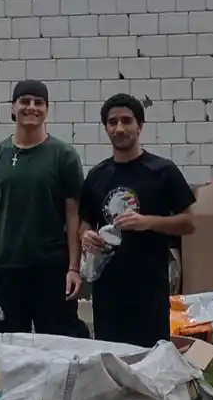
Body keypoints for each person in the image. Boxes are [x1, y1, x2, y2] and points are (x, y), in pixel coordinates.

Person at [0, 80, 87, 337]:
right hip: (5, 268)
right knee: (3, 347)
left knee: (60, 346)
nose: (31, 107)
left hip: (53, 270)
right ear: (13, 108)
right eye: (24, 101)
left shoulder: (63, 156)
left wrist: (74, 267)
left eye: (38, 102)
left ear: (46, 110)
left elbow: (74, 215)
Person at [79, 93, 197, 347]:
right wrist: (86, 236)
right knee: (112, 359)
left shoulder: (163, 171)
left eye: (126, 121)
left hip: (149, 288)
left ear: (139, 126)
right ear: (106, 128)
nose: (119, 128)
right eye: (112, 122)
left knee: (150, 361)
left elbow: (189, 223)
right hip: (107, 290)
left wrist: (149, 222)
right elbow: (85, 223)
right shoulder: (97, 175)